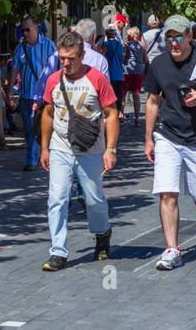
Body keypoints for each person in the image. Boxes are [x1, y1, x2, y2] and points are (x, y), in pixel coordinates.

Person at [143, 15, 196, 271]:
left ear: (190, 36)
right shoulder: (158, 63)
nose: (174, 42)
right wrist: (148, 139)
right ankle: (172, 249)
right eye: (169, 37)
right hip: (166, 135)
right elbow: (152, 101)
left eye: (179, 36)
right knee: (167, 192)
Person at [38, 31, 121, 271]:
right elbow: (48, 113)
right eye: (62, 58)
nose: (66, 63)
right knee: (57, 198)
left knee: (94, 200)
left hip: (90, 149)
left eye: (71, 58)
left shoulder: (97, 79)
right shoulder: (54, 80)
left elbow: (111, 114)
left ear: (82, 56)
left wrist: (111, 149)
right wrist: (45, 148)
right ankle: (58, 252)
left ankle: (102, 233)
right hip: (61, 148)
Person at [12, 17, 59, 171]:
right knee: (29, 129)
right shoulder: (20, 48)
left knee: (37, 127)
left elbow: (57, 69)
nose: (25, 33)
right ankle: (40, 154)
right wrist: (9, 89)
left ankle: (32, 160)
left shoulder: (49, 45)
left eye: (27, 30)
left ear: (36, 30)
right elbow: (15, 68)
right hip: (25, 95)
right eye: (22, 30)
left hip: (43, 96)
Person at [122, 25, 146, 124]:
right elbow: (145, 58)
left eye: (128, 33)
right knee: (136, 94)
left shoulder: (128, 45)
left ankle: (121, 115)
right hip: (139, 71)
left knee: (123, 93)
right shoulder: (141, 45)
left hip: (127, 71)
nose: (126, 35)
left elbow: (124, 57)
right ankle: (137, 118)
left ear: (132, 35)